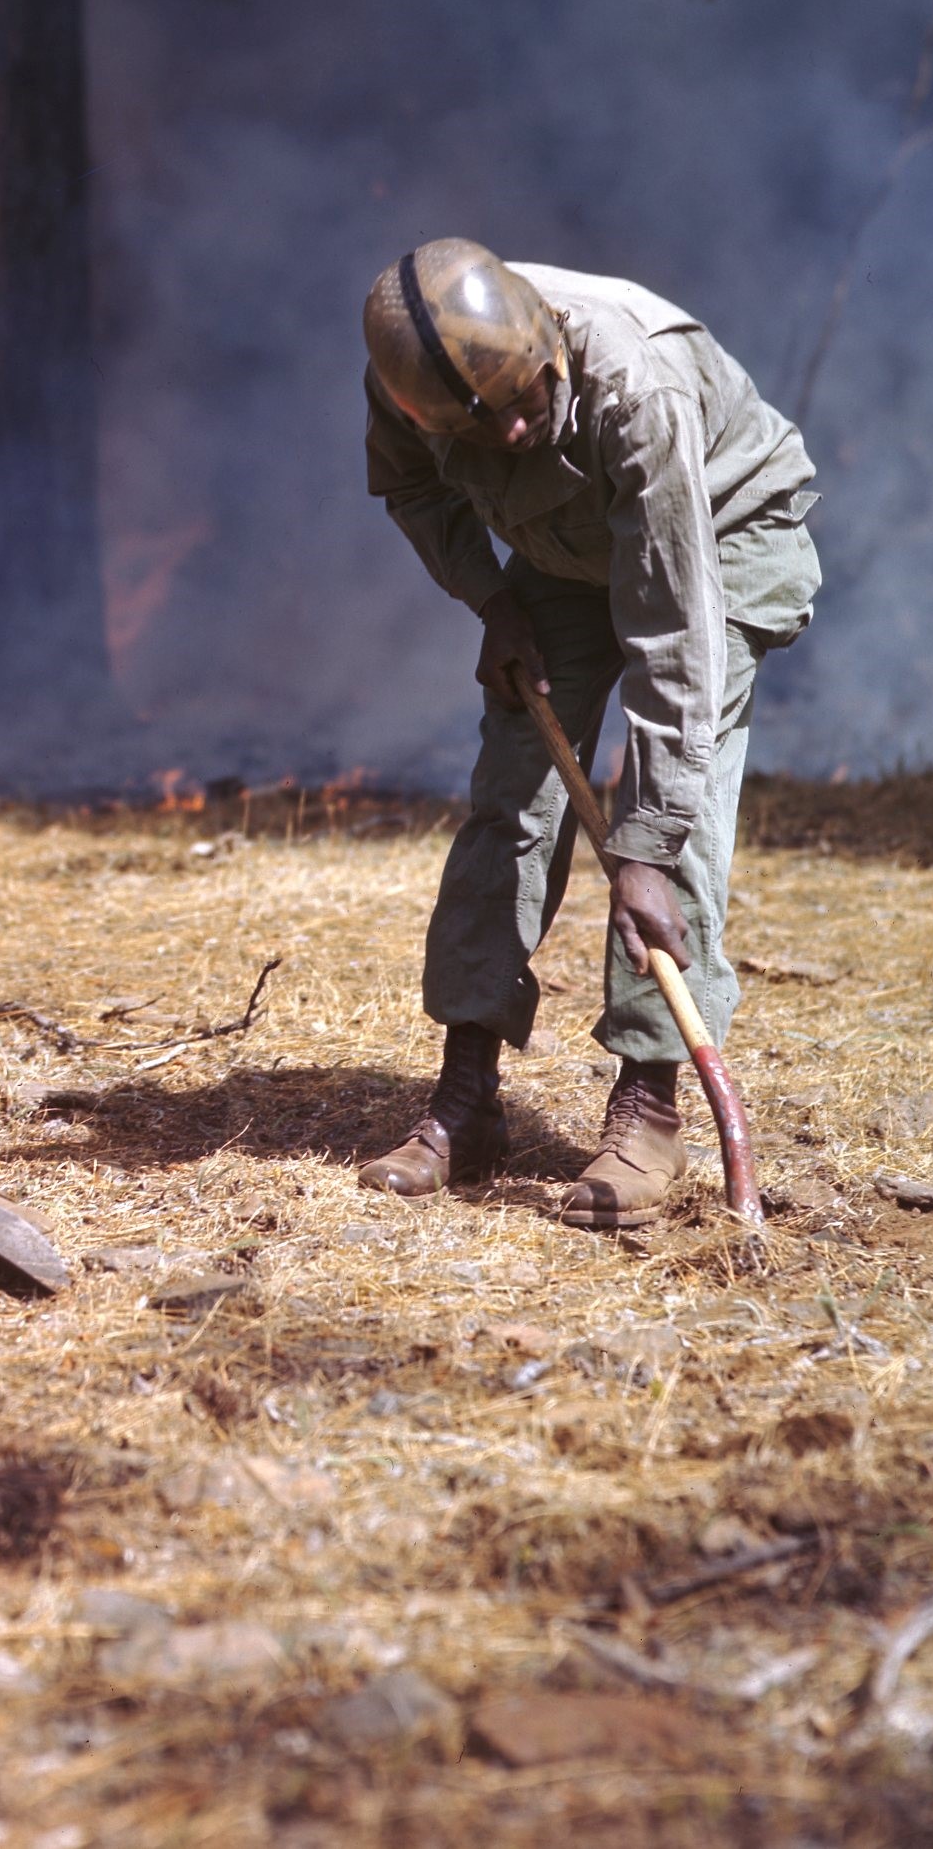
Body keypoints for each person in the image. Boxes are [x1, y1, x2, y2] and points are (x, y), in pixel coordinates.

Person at [356, 239, 820, 1226]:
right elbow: (412, 491)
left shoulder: (630, 386)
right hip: (567, 552)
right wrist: (491, 599)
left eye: (533, 397)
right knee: (511, 789)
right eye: (496, 422)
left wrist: (642, 845)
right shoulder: (409, 378)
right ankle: (464, 1102)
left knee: (674, 814)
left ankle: (647, 1108)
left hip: (719, 537)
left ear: (546, 348)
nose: (522, 421)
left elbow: (673, 632)